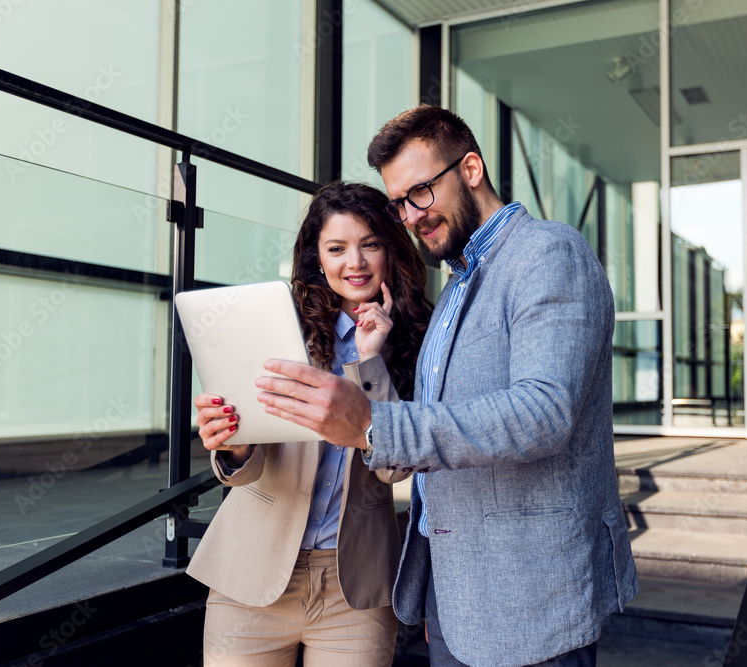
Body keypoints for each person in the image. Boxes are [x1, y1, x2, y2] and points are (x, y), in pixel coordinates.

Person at [254, 106, 639, 667]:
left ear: (472, 169)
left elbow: (544, 412)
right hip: (460, 597)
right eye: (400, 203)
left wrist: (370, 423)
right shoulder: (459, 282)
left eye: (422, 193)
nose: (411, 216)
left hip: (530, 595)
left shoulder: (547, 253)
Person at [186, 181, 432, 666]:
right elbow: (245, 458)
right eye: (337, 248)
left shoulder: (420, 340)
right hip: (252, 573)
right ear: (317, 259)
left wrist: (370, 362)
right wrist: (231, 444)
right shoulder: (279, 328)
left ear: (391, 250)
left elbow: (394, 469)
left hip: (355, 588)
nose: (354, 262)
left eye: (370, 244)